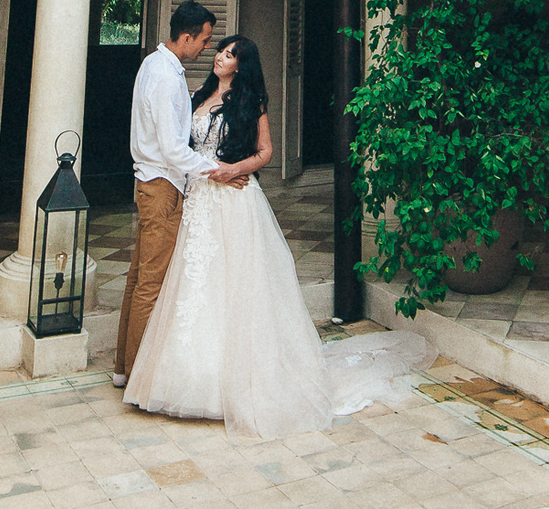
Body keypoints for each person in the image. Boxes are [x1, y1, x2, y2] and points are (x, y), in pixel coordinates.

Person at [123, 34, 429, 439]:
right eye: (219, 50)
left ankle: (239, 378)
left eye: (229, 55)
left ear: (241, 65)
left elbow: (265, 152)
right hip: (197, 200)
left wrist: (235, 169)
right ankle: (184, 376)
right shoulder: (197, 94)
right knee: (193, 283)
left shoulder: (252, 102)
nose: (219, 57)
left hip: (234, 199)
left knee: (236, 284)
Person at [116, 0, 228, 386]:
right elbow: (172, 149)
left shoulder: (156, 64)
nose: (205, 48)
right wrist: (217, 170)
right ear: (186, 36)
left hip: (153, 182)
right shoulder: (164, 76)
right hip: (161, 186)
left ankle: (123, 367)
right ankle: (138, 374)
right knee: (152, 281)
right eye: (204, 40)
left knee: (138, 276)